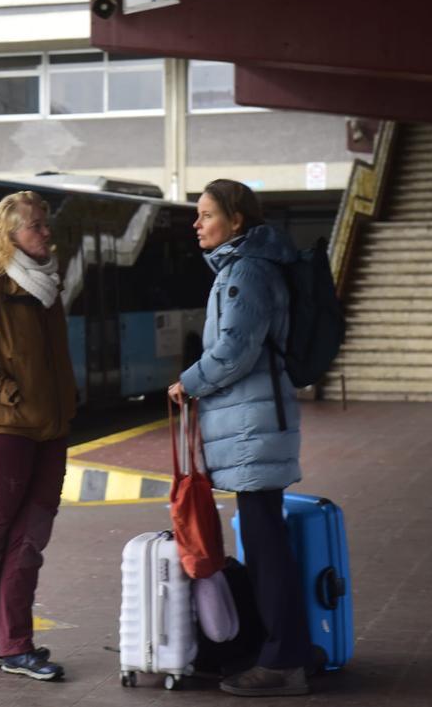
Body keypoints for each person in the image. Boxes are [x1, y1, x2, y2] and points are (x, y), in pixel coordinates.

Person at [168, 179, 312, 698]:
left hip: (254, 428)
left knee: (266, 545)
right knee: (264, 539)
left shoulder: (244, 271)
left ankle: (284, 662)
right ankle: (281, 649)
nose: (197, 223)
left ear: (236, 222)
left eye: (206, 215)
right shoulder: (245, 267)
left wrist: (189, 383)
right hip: (255, 423)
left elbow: (235, 350)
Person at [0, 190, 77, 682]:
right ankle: (3, 645)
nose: (46, 233)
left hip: (50, 431)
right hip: (2, 430)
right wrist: (12, 394)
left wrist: (65, 403)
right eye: (36, 227)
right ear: (10, 237)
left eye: (45, 225)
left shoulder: (48, 290)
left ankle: (4, 643)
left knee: (31, 539)